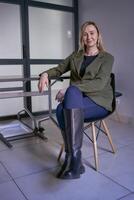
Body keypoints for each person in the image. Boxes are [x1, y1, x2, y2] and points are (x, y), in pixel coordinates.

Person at [38, 21, 114, 179]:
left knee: (68, 97)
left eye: (92, 33)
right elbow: (59, 69)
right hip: (78, 99)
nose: (89, 37)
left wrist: (68, 89)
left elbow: (99, 83)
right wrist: (45, 74)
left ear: (98, 35)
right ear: (82, 37)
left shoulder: (107, 58)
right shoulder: (75, 56)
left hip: (99, 101)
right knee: (61, 109)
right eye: (85, 34)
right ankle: (73, 158)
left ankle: (73, 159)